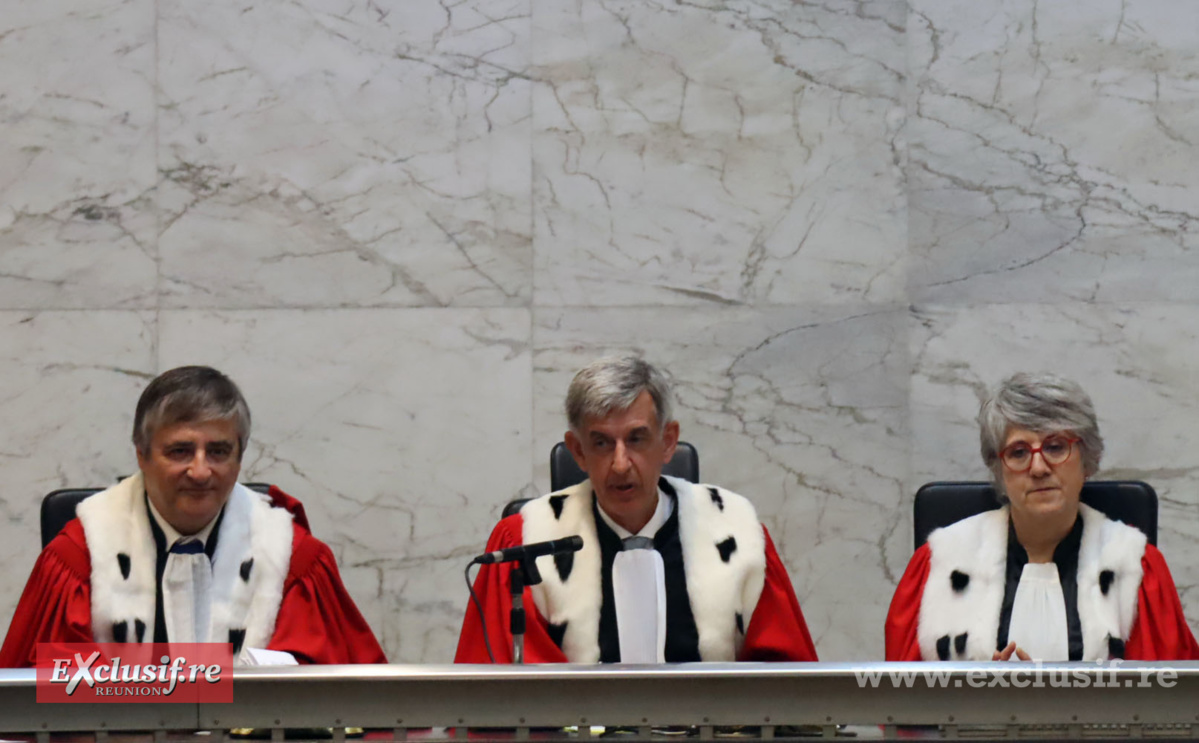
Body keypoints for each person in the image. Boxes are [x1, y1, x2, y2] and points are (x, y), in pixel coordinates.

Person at [0, 366, 386, 667]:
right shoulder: (79, 557)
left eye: (218, 451)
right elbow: (41, 700)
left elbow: (343, 703)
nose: (201, 472)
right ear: (142, 454)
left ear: (240, 456)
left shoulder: (292, 560)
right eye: (180, 451)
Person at [456, 356, 817, 663]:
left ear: (668, 441)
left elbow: (787, 691)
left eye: (636, 439)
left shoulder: (737, 534)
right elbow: (497, 702)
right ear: (577, 451)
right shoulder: (526, 545)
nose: (620, 464)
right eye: (600, 443)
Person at [886, 372, 1199, 661]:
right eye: (1019, 452)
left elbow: (1167, 706)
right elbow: (901, 706)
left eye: (1056, 447)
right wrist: (978, 694)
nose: (1038, 468)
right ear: (999, 470)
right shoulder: (941, 562)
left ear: (1087, 459)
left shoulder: (1135, 566)